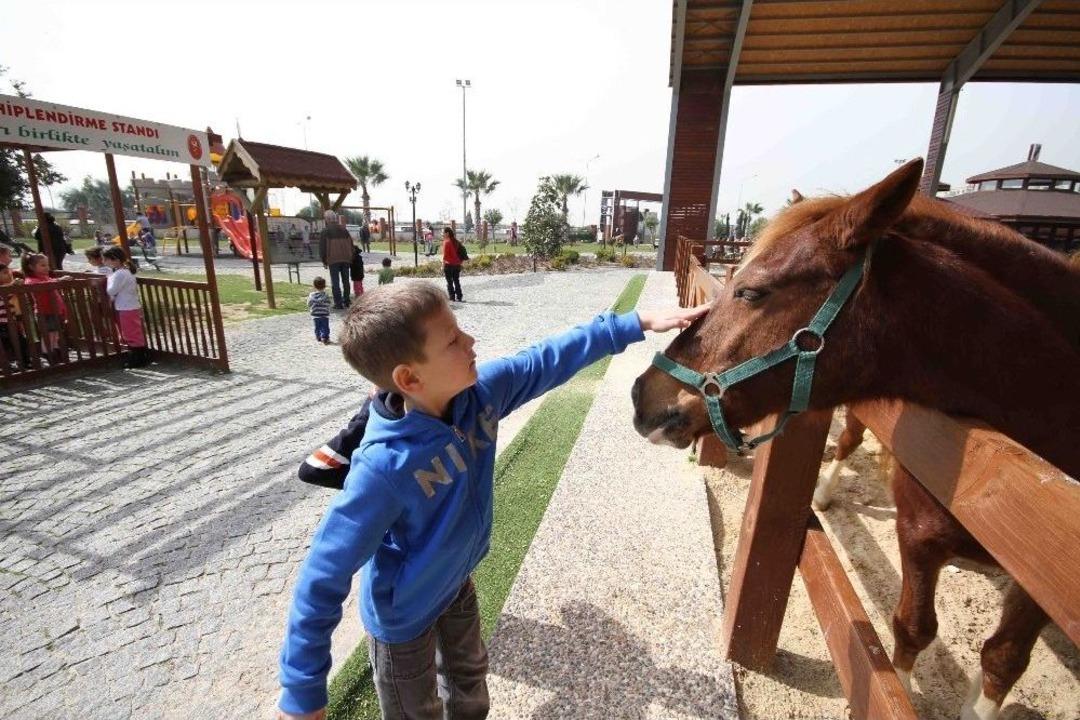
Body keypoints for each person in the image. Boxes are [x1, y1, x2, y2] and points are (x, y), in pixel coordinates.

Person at [274, 283, 707, 720]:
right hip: (402, 619)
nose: (470, 341)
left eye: (459, 330)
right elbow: (322, 577)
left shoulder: (480, 396)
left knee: (469, 682)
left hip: (457, 584)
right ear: (409, 378)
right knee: (415, 710)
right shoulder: (384, 468)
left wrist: (635, 323)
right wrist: (302, 691)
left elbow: (544, 360)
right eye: (452, 340)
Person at [102, 246, 149, 368]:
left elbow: (111, 291)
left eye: (106, 259)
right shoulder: (127, 271)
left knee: (130, 334)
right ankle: (141, 357)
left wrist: (108, 279)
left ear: (115, 260)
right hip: (131, 305)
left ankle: (137, 359)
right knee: (135, 332)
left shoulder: (119, 274)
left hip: (126, 307)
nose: (104, 262)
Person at [21, 252, 69, 363]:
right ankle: (47, 352)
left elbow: (51, 283)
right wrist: (57, 281)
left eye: (47, 265)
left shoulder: (46, 277)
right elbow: (37, 286)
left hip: (55, 310)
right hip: (45, 312)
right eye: (43, 265)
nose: (47, 267)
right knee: (48, 333)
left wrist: (58, 281)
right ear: (31, 267)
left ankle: (55, 349)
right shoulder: (31, 279)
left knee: (56, 332)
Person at [319, 210, 354, 309]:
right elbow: (351, 245)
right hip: (345, 259)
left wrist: (324, 260)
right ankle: (346, 301)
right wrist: (350, 257)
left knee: (335, 282)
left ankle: (338, 303)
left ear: (328, 219)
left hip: (333, 259)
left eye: (326, 218)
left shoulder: (325, 231)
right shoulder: (344, 230)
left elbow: (322, 248)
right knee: (346, 281)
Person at [0, 263, 30, 368]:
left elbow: (11, 288)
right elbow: (7, 288)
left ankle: (24, 362)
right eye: (4, 273)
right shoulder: (4, 288)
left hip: (10, 323)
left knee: (20, 342)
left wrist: (16, 283)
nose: (9, 274)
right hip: (2, 324)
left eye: (8, 272)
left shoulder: (8, 288)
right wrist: (14, 284)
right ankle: (5, 366)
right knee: (5, 345)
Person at [442, 227, 464, 302]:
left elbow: (445, 255)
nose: (442, 234)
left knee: (449, 281)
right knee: (456, 280)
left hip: (449, 264)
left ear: (447, 233)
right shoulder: (456, 241)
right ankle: (459, 296)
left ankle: (452, 297)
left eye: (443, 232)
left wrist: (442, 265)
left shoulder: (446, 242)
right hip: (457, 264)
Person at [307, 276, 331, 344]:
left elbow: (309, 304)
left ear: (314, 286)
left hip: (315, 314)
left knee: (317, 326)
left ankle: (318, 336)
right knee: (325, 326)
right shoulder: (326, 295)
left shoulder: (311, 295)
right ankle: (325, 337)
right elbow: (329, 303)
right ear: (324, 286)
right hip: (324, 314)